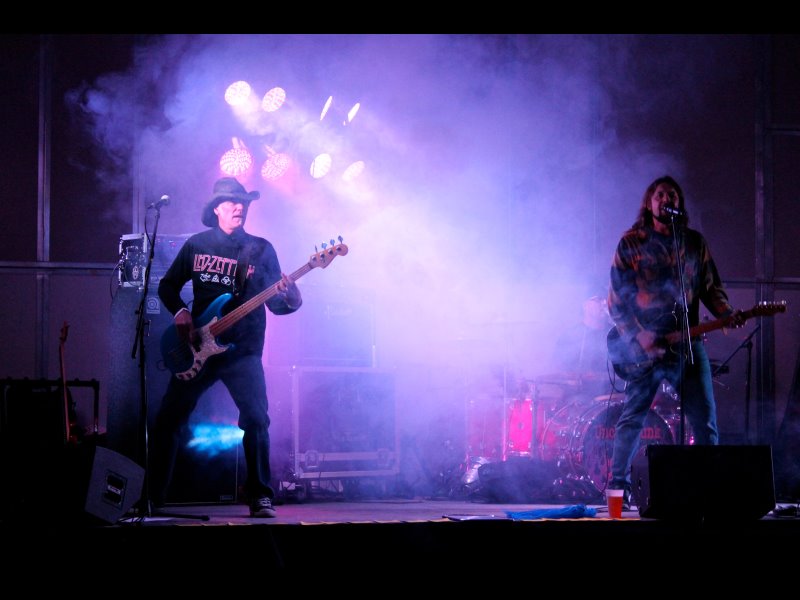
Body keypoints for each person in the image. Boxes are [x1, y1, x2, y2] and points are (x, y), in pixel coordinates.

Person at [149, 176, 302, 517]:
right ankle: (152, 497)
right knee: (168, 420)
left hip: (243, 351)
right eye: (232, 202)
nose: (239, 207)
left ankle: (260, 496)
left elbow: (276, 304)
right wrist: (182, 311)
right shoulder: (197, 245)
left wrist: (292, 296)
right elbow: (168, 286)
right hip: (198, 348)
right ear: (216, 208)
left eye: (243, 202)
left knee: (256, 420)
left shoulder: (262, 249)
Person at [606, 175, 744, 509]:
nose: (666, 199)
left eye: (672, 195)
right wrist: (638, 334)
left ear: (679, 203)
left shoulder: (693, 243)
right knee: (632, 417)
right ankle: (618, 488)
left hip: (686, 344)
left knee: (705, 420)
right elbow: (616, 300)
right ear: (649, 202)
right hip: (645, 346)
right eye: (660, 194)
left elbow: (710, 287)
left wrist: (727, 314)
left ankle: (709, 490)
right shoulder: (632, 243)